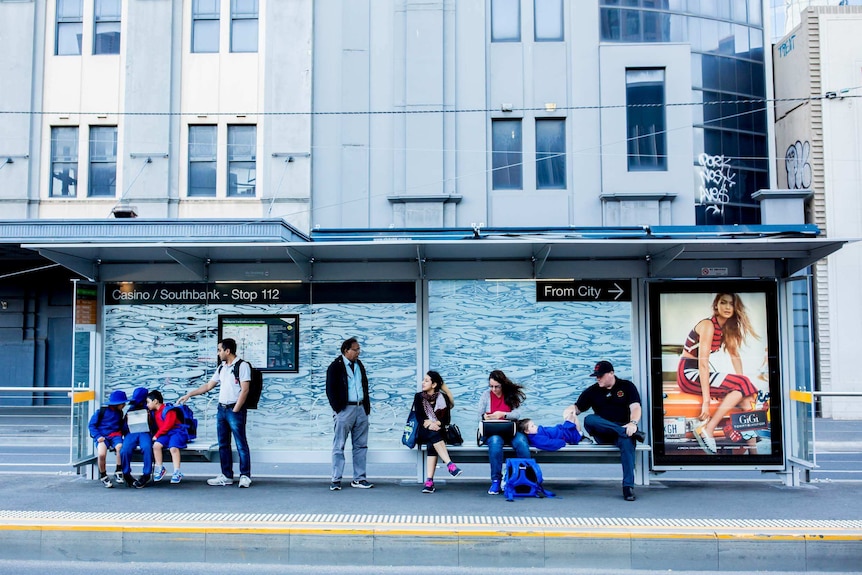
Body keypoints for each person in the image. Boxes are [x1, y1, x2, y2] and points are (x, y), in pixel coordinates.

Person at [677, 293, 760, 455]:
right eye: (723, 303)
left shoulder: (726, 329)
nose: (728, 307)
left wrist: (744, 389)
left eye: (731, 304)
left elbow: (735, 356)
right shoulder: (708, 325)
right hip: (688, 372)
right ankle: (709, 428)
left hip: (698, 372)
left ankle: (753, 452)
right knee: (743, 386)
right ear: (716, 305)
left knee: (744, 397)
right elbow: (703, 362)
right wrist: (706, 402)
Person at [179, 338, 252, 488]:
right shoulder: (222, 367)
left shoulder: (242, 366)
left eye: (219, 350)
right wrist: (189, 394)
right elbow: (208, 386)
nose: (218, 353)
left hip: (234, 409)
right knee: (223, 444)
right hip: (221, 409)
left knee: (240, 443)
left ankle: (245, 475)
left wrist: (236, 408)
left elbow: (245, 389)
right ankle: (227, 475)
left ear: (227, 351)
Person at [567, 360, 644, 501]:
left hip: (623, 432)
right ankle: (623, 431)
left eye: (600, 375)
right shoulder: (593, 391)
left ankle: (628, 487)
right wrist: (569, 410)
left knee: (627, 442)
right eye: (596, 376)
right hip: (604, 433)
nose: (598, 378)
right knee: (590, 419)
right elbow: (577, 408)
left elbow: (636, 408)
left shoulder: (627, 387)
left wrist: (633, 423)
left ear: (611, 373)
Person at [325, 337, 373, 490]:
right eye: (356, 349)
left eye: (359, 349)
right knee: (339, 444)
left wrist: (366, 408)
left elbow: (364, 385)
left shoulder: (359, 365)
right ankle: (336, 479)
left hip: (360, 408)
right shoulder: (335, 366)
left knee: (361, 445)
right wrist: (338, 409)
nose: (358, 352)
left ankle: (359, 478)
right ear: (346, 350)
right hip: (345, 409)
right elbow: (330, 389)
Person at [476, 369, 530, 495]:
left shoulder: (510, 394)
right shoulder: (486, 395)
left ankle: (526, 476)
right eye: (491, 386)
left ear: (502, 385)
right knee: (495, 442)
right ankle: (496, 480)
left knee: (521, 442)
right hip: (493, 431)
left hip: (509, 429)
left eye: (497, 387)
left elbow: (517, 414)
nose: (494, 390)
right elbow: (479, 415)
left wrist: (503, 415)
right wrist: (486, 417)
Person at [413, 370, 463, 493]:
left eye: (426, 380)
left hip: (438, 430)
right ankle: (450, 464)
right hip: (423, 430)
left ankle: (429, 482)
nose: (423, 383)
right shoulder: (418, 397)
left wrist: (437, 423)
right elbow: (419, 418)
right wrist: (430, 424)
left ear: (434, 384)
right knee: (433, 435)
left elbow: (446, 419)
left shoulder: (443, 397)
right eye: (423, 380)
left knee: (433, 440)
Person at [147, 390, 189, 485]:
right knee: (156, 446)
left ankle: (177, 471)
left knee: (173, 448)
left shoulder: (168, 410)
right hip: (166, 433)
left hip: (176, 432)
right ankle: (160, 467)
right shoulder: (154, 412)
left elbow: (168, 425)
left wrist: (156, 435)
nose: (147, 405)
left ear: (155, 401)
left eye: (148, 402)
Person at [87, 389, 127, 488]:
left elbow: (120, 426)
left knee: (120, 448)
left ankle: (118, 470)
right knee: (101, 455)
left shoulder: (120, 412)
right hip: (102, 437)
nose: (124, 405)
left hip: (115, 436)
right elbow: (91, 425)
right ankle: (103, 475)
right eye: (122, 403)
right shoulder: (102, 411)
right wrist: (98, 436)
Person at [119, 386, 154, 488]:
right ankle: (126, 473)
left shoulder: (145, 409)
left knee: (147, 448)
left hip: (144, 432)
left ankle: (146, 474)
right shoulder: (131, 409)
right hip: (132, 433)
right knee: (125, 449)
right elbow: (124, 426)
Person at [517, 413, 583, 451]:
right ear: (527, 431)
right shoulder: (537, 439)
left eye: (534, 424)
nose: (535, 426)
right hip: (566, 435)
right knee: (573, 416)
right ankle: (579, 434)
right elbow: (551, 444)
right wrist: (563, 442)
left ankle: (578, 433)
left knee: (571, 415)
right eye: (532, 426)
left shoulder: (536, 432)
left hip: (561, 430)